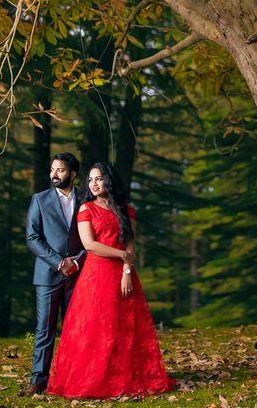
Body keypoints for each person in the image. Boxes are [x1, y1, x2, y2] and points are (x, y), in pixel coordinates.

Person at [46, 162, 175, 399]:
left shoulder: (127, 210)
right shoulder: (86, 209)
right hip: (97, 275)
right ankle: (94, 379)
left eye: (99, 179)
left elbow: (130, 242)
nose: (93, 184)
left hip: (123, 274)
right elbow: (90, 245)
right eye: (91, 180)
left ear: (109, 180)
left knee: (125, 326)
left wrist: (127, 268)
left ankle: (124, 377)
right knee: (96, 328)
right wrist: (122, 255)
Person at [19, 152, 85, 397]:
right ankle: (38, 380)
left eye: (60, 170)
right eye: (52, 170)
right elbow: (32, 238)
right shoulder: (40, 199)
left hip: (79, 275)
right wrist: (59, 262)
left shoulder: (86, 199)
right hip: (47, 275)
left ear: (73, 173)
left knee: (75, 328)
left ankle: (73, 377)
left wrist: (77, 262)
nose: (54, 174)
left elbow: (94, 236)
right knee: (44, 329)